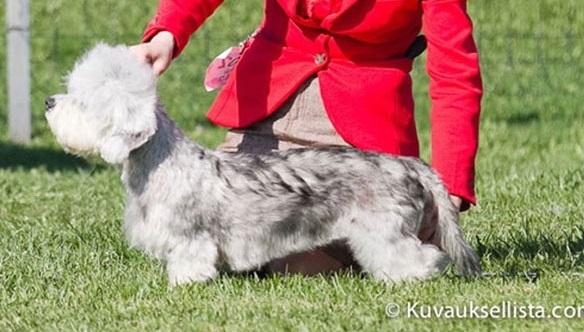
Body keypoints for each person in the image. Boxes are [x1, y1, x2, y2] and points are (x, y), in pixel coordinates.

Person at [130, 0, 483, 275]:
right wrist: (167, 34)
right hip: (270, 100)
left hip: (361, 132)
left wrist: (451, 185)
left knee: (297, 264)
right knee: (217, 225)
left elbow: (454, 70)